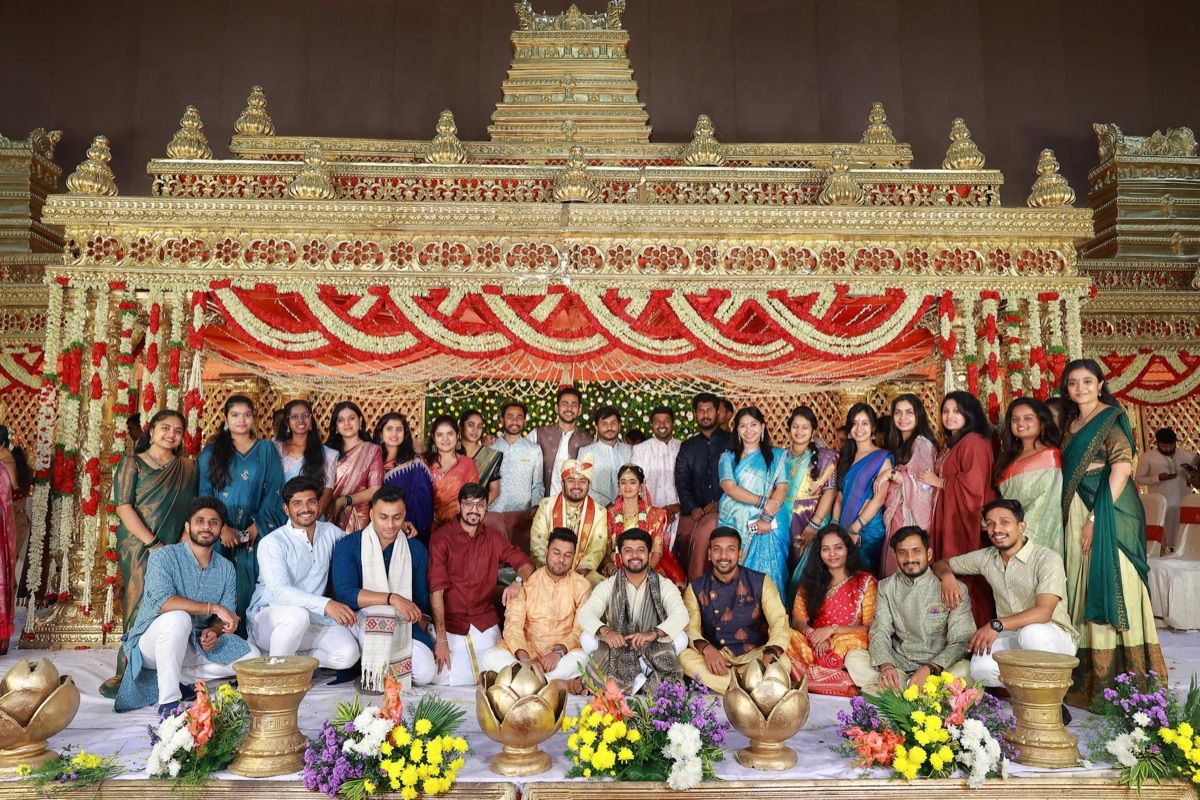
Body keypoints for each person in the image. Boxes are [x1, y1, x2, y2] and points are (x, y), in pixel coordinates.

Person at [1059, 359, 1167, 706]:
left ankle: (1126, 675)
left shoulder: (1110, 418)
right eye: (1073, 383)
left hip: (1109, 508)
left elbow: (1121, 467)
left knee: (1114, 572)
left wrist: (1095, 518)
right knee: (1082, 576)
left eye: (1087, 382)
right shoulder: (1072, 424)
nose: (1081, 388)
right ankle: (1086, 673)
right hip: (1078, 504)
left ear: (1101, 383)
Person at [114, 497, 260, 714]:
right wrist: (214, 608)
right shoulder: (164, 556)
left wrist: (215, 629)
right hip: (152, 644)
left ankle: (181, 679)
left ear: (221, 530)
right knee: (178, 618)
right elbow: (163, 602)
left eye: (213, 522)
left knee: (252, 657)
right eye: (200, 521)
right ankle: (169, 702)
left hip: (193, 644)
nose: (206, 527)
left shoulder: (226, 568)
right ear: (188, 526)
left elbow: (225, 615)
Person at [100, 409, 200, 698]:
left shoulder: (188, 468)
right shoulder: (133, 463)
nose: (171, 434)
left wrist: (179, 544)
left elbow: (192, 508)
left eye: (178, 430)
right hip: (139, 545)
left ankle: (167, 670)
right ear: (152, 430)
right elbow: (124, 506)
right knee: (140, 600)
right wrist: (152, 543)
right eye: (165, 427)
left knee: (173, 603)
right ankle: (128, 669)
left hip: (174, 546)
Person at [932, 499, 1078, 695]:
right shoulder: (986, 558)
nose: (996, 529)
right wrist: (948, 577)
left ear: (1021, 526)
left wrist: (996, 625)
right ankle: (1026, 698)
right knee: (980, 668)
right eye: (990, 523)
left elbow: (1044, 612)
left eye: (1004, 522)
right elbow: (941, 563)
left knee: (1032, 634)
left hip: (1053, 638)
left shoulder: (1046, 558)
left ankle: (1050, 699)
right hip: (1014, 636)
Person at [247, 476, 360, 670]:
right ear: (286, 509)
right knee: (296, 616)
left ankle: (282, 658)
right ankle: (275, 676)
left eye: (311, 501)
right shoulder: (273, 542)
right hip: (271, 619)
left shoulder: (330, 532)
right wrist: (327, 604)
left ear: (318, 503)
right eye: (297, 503)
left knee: (348, 654)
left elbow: (359, 545)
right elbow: (280, 592)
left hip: (313, 619)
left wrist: (397, 530)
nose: (306, 508)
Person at [845, 526, 973, 696]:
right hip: (899, 663)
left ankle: (899, 691)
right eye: (902, 553)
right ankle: (919, 692)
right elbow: (880, 630)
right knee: (853, 659)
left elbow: (961, 640)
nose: (910, 558)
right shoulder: (886, 587)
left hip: (939, 667)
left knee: (968, 669)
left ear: (928, 554)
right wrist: (886, 666)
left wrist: (931, 668)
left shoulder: (953, 589)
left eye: (916, 551)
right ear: (895, 556)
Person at [428, 482, 534, 685]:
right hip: (451, 622)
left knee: (497, 673)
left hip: (483, 620)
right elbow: (436, 592)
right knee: (440, 676)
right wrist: (441, 640)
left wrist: (517, 582)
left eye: (480, 505)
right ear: (458, 506)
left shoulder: (493, 538)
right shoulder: (441, 539)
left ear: (486, 508)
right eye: (469, 504)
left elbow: (526, 564)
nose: (474, 510)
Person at [198, 395, 286, 636]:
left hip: (257, 533)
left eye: (246, 414)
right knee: (219, 584)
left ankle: (252, 641)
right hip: (220, 535)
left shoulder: (266, 450)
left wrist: (256, 527)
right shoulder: (211, 453)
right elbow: (205, 495)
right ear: (226, 418)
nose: (241, 420)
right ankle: (216, 640)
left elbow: (276, 490)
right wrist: (222, 527)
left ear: (253, 417)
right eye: (235, 415)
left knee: (255, 584)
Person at [332, 485, 435, 690]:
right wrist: (392, 598)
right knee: (380, 620)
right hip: (359, 618)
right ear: (371, 514)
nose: (390, 524)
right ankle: (372, 672)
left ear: (404, 515)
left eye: (397, 517)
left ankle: (379, 669)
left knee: (425, 673)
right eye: (383, 517)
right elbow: (345, 594)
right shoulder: (349, 545)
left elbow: (421, 598)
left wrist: (420, 617)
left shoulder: (415, 549)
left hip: (402, 619)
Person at [577, 528, 689, 694]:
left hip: (652, 644)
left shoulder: (664, 585)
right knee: (586, 637)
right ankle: (643, 677)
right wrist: (607, 632)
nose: (634, 555)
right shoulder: (609, 584)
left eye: (640, 550)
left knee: (681, 637)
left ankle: (629, 677)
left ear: (649, 555)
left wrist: (652, 634)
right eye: (628, 551)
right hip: (618, 644)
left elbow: (681, 614)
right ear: (620, 556)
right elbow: (585, 613)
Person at [680, 526, 791, 693]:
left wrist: (771, 652)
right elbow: (690, 629)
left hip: (755, 656)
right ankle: (751, 689)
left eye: (730, 550)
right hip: (719, 658)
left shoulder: (760, 581)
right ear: (709, 554)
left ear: (740, 554)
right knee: (684, 658)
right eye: (717, 550)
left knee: (784, 661)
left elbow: (779, 621)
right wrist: (707, 649)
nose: (723, 556)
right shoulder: (696, 588)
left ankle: (732, 688)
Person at [479, 527, 593, 686]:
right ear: (546, 552)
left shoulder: (582, 586)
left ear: (574, 557)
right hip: (526, 653)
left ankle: (521, 681)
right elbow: (513, 627)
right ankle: (556, 684)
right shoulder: (525, 583)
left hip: (560, 658)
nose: (561, 559)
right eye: (556, 552)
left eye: (568, 555)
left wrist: (557, 653)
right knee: (489, 657)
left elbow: (579, 630)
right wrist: (526, 660)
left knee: (584, 658)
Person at [919, 391, 995, 627]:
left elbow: (974, 487)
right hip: (949, 515)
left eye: (957, 411)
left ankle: (973, 631)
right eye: (945, 411)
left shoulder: (974, 442)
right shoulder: (952, 444)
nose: (949, 416)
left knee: (964, 573)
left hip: (964, 520)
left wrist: (939, 482)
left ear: (969, 414)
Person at [786, 525, 877, 695]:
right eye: (826, 549)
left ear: (847, 549)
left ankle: (814, 679)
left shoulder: (865, 582)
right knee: (783, 636)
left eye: (838, 548)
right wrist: (813, 635)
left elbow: (869, 627)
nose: (832, 554)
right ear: (818, 553)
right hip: (815, 641)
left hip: (847, 640)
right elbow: (798, 619)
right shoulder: (809, 583)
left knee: (848, 643)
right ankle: (839, 683)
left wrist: (832, 630)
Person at [718, 406, 790, 595]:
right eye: (743, 426)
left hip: (768, 522)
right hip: (735, 522)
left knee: (770, 576)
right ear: (737, 430)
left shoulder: (779, 456)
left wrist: (765, 517)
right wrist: (761, 501)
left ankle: (773, 621)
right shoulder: (727, 457)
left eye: (753, 424)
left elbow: (782, 487)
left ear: (763, 427)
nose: (748, 430)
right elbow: (729, 487)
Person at [779, 406, 838, 603]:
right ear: (789, 429)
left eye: (805, 427)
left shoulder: (825, 457)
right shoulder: (780, 457)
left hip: (810, 519)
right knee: (783, 567)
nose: (799, 431)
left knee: (807, 571)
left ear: (813, 430)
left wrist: (815, 524)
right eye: (795, 426)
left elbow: (830, 491)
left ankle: (805, 614)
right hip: (782, 520)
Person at [994, 398, 1064, 558]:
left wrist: (1017, 536)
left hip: (1032, 536)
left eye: (1028, 418)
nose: (1020, 423)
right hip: (1008, 532)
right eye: (1015, 419)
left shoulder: (1049, 456)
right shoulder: (1008, 457)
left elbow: (1046, 507)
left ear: (1043, 423)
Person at [878, 394, 939, 577]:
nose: (902, 418)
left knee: (902, 562)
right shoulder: (903, 443)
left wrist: (893, 474)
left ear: (918, 415)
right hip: (898, 513)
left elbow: (923, 486)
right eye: (898, 412)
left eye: (908, 412)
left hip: (908, 516)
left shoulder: (922, 443)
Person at [675, 392, 733, 581]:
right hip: (695, 512)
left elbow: (741, 478)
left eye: (709, 410)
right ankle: (689, 591)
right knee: (683, 542)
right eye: (701, 410)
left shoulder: (733, 442)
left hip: (727, 509)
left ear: (718, 412)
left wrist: (721, 503)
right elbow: (681, 481)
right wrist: (692, 508)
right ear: (696, 414)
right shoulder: (688, 447)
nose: (705, 414)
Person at [832, 404, 893, 576]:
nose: (859, 428)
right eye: (855, 423)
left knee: (864, 581)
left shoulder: (882, 457)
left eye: (865, 423)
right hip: (843, 528)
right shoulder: (846, 456)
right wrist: (835, 525)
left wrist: (856, 528)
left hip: (867, 530)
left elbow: (879, 498)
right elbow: (839, 495)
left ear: (873, 427)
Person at [529, 456, 608, 585]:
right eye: (571, 480)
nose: (577, 486)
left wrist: (578, 574)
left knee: (604, 592)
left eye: (582, 481)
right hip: (548, 570)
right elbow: (537, 544)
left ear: (589, 485)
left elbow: (597, 549)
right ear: (562, 483)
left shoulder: (599, 512)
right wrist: (554, 572)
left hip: (583, 574)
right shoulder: (546, 505)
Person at [605, 464, 686, 587]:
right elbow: (605, 550)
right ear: (618, 486)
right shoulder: (608, 514)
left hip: (647, 567)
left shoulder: (655, 515)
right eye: (623, 482)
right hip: (616, 569)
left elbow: (656, 553)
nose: (627, 487)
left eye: (632, 482)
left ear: (641, 487)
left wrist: (641, 575)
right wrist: (614, 571)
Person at [489, 401, 544, 548]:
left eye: (519, 417)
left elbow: (538, 484)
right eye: (510, 417)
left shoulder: (534, 450)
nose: (514, 421)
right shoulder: (491, 448)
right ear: (502, 420)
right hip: (494, 515)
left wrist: (535, 507)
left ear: (525, 421)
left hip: (521, 517)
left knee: (519, 563)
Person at [374, 412, 433, 544]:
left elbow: (424, 500)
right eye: (389, 429)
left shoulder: (415, 464)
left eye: (399, 429)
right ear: (380, 434)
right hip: (376, 528)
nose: (394, 433)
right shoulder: (372, 461)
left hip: (409, 530)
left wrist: (399, 520)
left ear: (404, 434)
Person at [1134, 428, 1199, 548]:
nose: (1168, 449)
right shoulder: (1148, 457)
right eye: (1164, 446)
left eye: (1171, 445)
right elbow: (1138, 479)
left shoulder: (1186, 455)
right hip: (1161, 504)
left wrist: (1193, 472)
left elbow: (1198, 468)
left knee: (1182, 534)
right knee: (1164, 535)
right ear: (1157, 443)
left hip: (1182, 502)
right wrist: (1157, 478)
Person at [326, 401, 383, 533]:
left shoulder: (372, 451)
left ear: (360, 420)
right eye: (341, 420)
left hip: (357, 517)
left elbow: (375, 489)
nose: (347, 423)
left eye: (351, 418)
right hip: (327, 513)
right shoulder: (327, 451)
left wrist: (343, 500)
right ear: (336, 425)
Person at [274, 399, 337, 518]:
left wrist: (311, 517)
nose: (301, 420)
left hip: (310, 515)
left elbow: (327, 491)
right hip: (278, 515)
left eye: (305, 415)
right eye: (295, 416)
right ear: (287, 422)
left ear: (311, 420)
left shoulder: (327, 454)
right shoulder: (274, 448)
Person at [527, 386, 594, 497]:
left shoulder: (589, 441)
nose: (569, 408)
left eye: (574, 405)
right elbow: (519, 449)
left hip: (576, 507)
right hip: (543, 506)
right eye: (564, 404)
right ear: (557, 408)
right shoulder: (538, 434)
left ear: (579, 410)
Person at [630, 406, 681, 547]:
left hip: (677, 516)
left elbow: (690, 483)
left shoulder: (683, 447)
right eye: (657, 421)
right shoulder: (640, 449)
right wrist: (654, 513)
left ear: (672, 423)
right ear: (652, 424)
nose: (662, 425)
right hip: (647, 516)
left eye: (666, 421)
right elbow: (634, 483)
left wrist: (678, 507)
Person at [0, 426, 31, 653]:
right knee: (4, 576)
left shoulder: (6, 457)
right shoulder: (6, 456)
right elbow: (14, 486)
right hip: (5, 520)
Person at [425, 414, 480, 531]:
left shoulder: (467, 465)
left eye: (450, 434)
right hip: (428, 527)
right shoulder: (424, 463)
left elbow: (474, 499)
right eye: (440, 435)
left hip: (460, 527)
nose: (445, 439)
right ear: (433, 438)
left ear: (458, 436)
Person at [578, 406, 632, 508]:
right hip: (597, 511)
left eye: (613, 423)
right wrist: (606, 504)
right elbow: (582, 483)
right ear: (597, 427)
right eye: (604, 424)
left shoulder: (629, 450)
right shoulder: (586, 452)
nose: (609, 428)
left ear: (619, 426)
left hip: (627, 510)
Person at [460, 409, 503, 505]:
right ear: (461, 426)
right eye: (471, 425)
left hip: (476, 513)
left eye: (479, 427)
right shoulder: (451, 451)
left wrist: (478, 507)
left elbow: (495, 490)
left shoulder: (489, 455)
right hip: (447, 510)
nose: (475, 430)